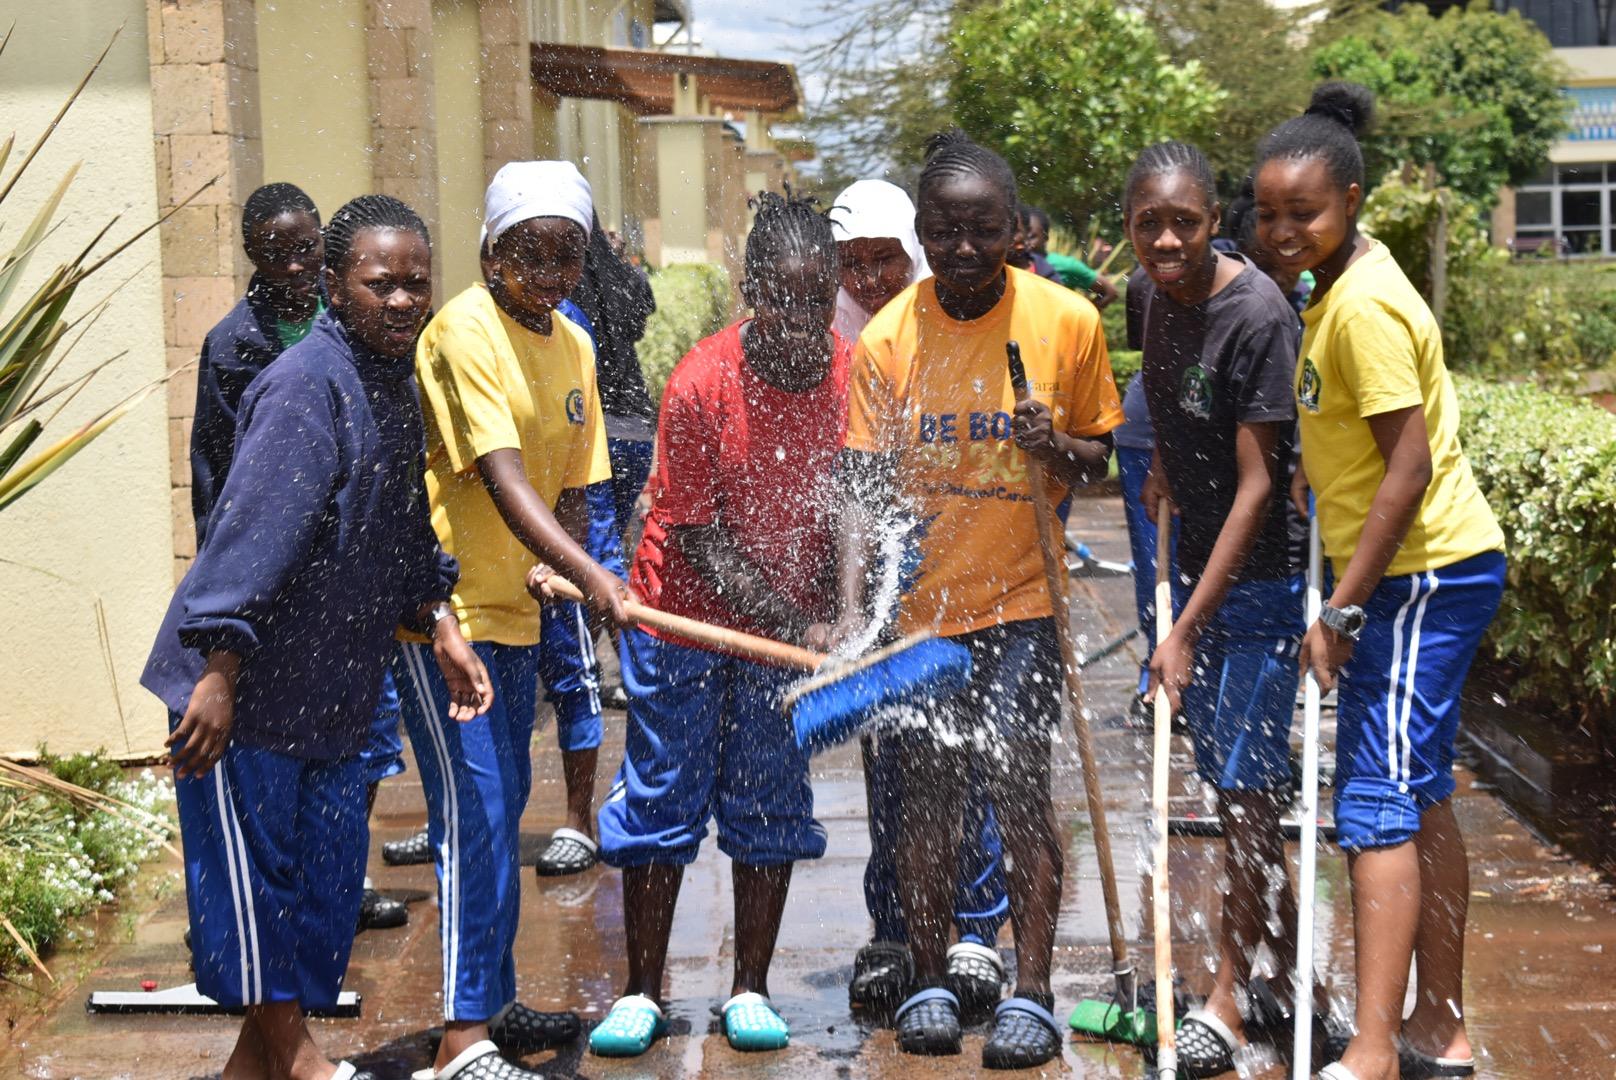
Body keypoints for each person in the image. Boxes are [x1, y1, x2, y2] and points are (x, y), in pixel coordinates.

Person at [141, 194, 492, 1080]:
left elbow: (407, 528)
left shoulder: (395, 383)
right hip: (243, 699)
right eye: (382, 284)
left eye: (418, 282)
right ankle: (301, 1063)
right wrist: (217, 668)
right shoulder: (304, 387)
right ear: (336, 287)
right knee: (259, 902)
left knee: (320, 897)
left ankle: (260, 1066)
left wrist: (440, 621)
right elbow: (250, 530)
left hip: (332, 696)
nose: (405, 300)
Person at [835, 130, 1122, 1069]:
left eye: (983, 229)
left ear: (1013, 229)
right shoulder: (887, 339)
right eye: (946, 231)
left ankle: (1030, 990)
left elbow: (1100, 457)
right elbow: (865, 486)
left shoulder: (1066, 322)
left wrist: (1055, 447)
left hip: (1023, 604)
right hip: (922, 617)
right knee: (924, 804)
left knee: (1022, 794)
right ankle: (927, 978)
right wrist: (866, 618)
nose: (963, 249)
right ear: (923, 231)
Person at [1255, 83, 1506, 1080]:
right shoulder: (1337, 286)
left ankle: (1368, 1049)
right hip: (1413, 575)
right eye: (1267, 213)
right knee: (1418, 795)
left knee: (1371, 805)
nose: (1279, 232)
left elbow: (1405, 468)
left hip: (1417, 579)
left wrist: (1341, 606)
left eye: (1301, 213)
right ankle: (1435, 1023)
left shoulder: (1360, 307)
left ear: (1349, 199)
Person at [581, 191, 839, 1057]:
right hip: (680, 619)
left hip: (784, 634)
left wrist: (842, 609)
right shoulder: (700, 381)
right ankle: (642, 991)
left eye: (817, 297)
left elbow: (853, 507)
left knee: (768, 796)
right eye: (782, 296)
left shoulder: (853, 374)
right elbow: (697, 537)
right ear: (749, 288)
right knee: (663, 796)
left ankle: (750, 988)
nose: (800, 319)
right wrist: (799, 621)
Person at [396, 160, 627, 1079]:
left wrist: (562, 569)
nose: (549, 274)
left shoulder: (576, 345)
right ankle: (460, 1038)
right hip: (445, 617)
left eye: (566, 255)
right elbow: (504, 475)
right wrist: (595, 576)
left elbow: (572, 483)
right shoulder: (462, 329)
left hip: (519, 616)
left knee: (503, 811)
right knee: (475, 816)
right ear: (491, 254)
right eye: (528, 254)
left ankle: (488, 1002)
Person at [1123, 141, 1311, 1076]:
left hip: (1257, 585)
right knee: (1244, 794)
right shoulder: (1153, 296)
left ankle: (1231, 998)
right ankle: (1284, 973)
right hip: (1189, 564)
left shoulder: (1259, 316)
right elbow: (1168, 400)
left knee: (1241, 795)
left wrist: (1187, 630)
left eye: (1184, 223)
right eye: (1148, 223)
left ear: (1211, 220)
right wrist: (1162, 461)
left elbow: (1257, 488)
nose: (1166, 239)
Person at [829, 178, 1010, 1017]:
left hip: (974, 568)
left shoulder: (958, 320)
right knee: (894, 761)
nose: (868, 279)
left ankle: (974, 928)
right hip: (891, 579)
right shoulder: (831, 340)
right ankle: (896, 929)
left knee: (974, 755)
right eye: (853, 264)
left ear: (914, 251)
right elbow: (857, 494)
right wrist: (857, 606)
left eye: (884, 261)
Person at [1024, 204, 1119, 310]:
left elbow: (1110, 292)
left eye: (1031, 237)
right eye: (1019, 235)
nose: (1025, 243)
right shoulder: (1008, 265)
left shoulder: (1064, 265)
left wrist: (1084, 317)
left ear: (1046, 237)